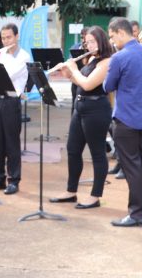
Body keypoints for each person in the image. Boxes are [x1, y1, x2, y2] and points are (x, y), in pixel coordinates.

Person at [103, 17, 142, 227]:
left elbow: (108, 86)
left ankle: (137, 213)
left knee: (132, 167)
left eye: (112, 37)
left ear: (120, 32)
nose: (112, 41)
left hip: (126, 118)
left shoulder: (119, 57)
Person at [50, 26, 112, 208]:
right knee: (72, 149)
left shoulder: (107, 61)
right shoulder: (91, 58)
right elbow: (79, 81)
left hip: (96, 110)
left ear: (101, 41)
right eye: (87, 42)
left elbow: (88, 83)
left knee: (97, 153)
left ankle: (95, 196)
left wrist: (74, 69)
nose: (89, 45)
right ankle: (71, 191)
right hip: (81, 108)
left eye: (93, 41)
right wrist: (68, 73)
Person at [0, 23, 31, 196]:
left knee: (11, 142)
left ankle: (14, 180)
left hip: (11, 101)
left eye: (9, 37)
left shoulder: (23, 57)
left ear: (17, 37)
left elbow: (5, 75)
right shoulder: (1, 53)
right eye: (3, 38)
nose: (6, 40)